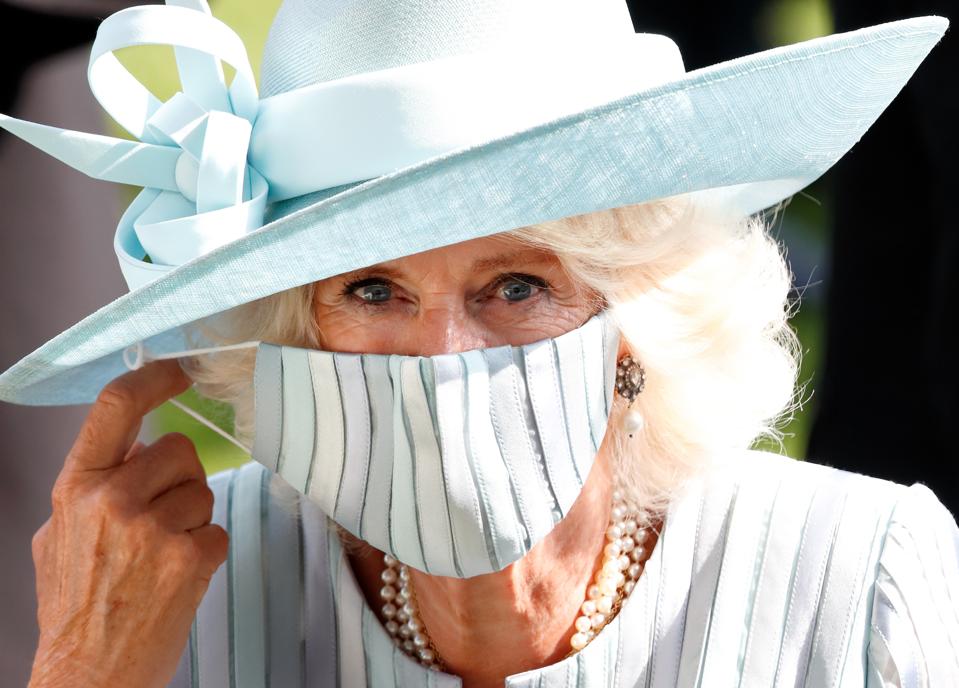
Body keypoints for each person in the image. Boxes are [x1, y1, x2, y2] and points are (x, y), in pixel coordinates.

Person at [2, 1, 956, 686]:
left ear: (636, 322)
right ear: (293, 332)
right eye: (372, 289)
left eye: (516, 287)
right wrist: (87, 667)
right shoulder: (176, 592)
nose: (442, 357)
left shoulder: (858, 582)